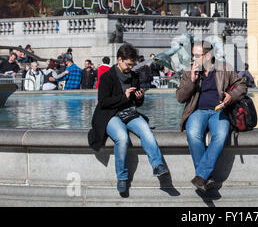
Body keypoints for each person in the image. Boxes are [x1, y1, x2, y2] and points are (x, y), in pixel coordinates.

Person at [88, 43, 168, 195]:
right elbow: (103, 102)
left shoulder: (134, 76)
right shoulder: (107, 77)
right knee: (122, 138)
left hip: (129, 113)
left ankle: (158, 165)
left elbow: (136, 103)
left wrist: (139, 98)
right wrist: (123, 97)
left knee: (146, 131)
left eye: (132, 65)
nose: (130, 68)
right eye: (128, 64)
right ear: (119, 59)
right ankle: (122, 177)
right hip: (110, 115)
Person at [176, 40, 247, 192]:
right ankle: (205, 177)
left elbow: (242, 85)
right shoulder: (189, 71)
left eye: (196, 55)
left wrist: (231, 96)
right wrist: (192, 81)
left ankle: (201, 176)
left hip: (219, 111)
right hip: (197, 111)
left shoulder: (224, 68)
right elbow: (180, 97)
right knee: (193, 133)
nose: (193, 59)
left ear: (207, 56)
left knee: (221, 135)